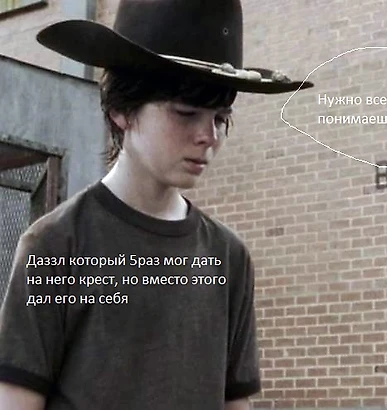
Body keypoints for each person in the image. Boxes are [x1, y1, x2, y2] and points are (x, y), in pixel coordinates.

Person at [0, 0, 313, 409]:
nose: (209, 136)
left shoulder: (228, 257)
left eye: (220, 118)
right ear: (121, 110)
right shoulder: (56, 245)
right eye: (186, 113)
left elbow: (235, 402)